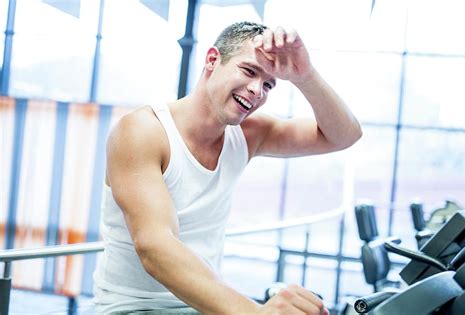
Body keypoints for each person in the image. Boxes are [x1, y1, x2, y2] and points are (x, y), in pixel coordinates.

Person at [93, 21, 362, 315]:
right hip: (133, 309)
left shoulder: (249, 134)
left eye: (268, 84)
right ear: (212, 60)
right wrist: (257, 313)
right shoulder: (143, 130)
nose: (257, 90)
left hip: (200, 306)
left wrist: (305, 75)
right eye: (249, 71)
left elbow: (344, 135)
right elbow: (156, 248)